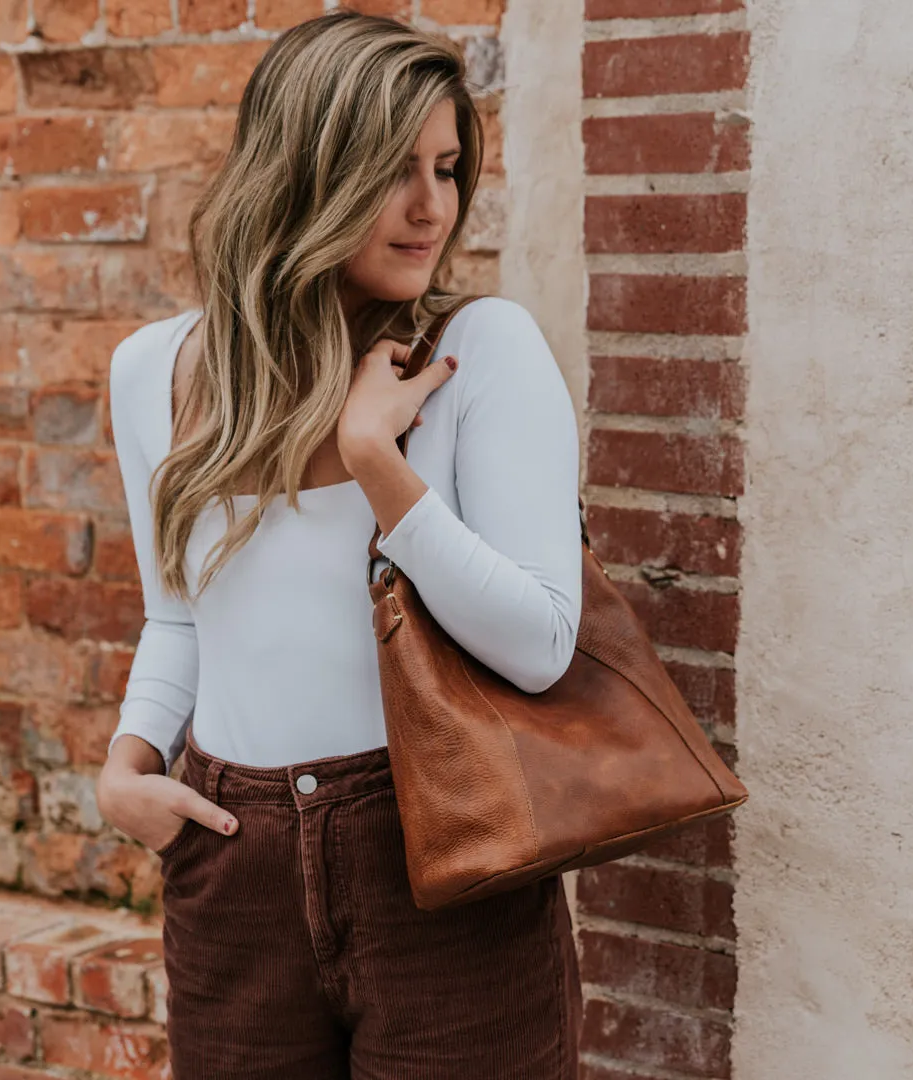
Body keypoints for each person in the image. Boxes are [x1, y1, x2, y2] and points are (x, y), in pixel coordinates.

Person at [94, 9, 584, 1078]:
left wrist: (376, 458)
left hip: (439, 861)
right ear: (304, 176)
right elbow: (180, 615)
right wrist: (127, 767)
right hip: (232, 862)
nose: (432, 208)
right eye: (393, 171)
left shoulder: (478, 354)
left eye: (449, 169)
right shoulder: (152, 371)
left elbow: (543, 641)